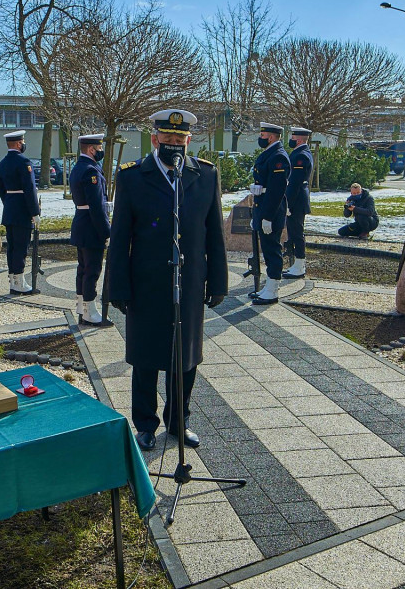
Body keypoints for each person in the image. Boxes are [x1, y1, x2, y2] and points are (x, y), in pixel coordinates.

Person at [106, 108, 228, 452]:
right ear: (154, 138)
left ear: (189, 140)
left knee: (185, 357)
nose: (174, 144)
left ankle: (179, 421)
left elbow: (214, 233)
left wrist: (218, 281)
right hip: (145, 283)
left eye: (180, 139)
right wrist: (118, 286)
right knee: (145, 358)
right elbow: (120, 238)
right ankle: (145, 424)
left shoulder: (204, 175)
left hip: (187, 283)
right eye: (168, 138)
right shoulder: (132, 177)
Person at [70, 133, 112, 326]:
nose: (101, 151)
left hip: (81, 223)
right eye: (99, 148)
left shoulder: (78, 167)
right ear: (91, 149)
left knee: (83, 268)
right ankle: (89, 311)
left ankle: (82, 307)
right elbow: (95, 206)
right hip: (91, 226)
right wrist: (106, 231)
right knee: (92, 270)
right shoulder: (91, 171)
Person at [249, 122, 290, 304]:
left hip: (271, 210)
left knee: (272, 249)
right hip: (263, 207)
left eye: (263, 135)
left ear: (271, 137)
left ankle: (273, 290)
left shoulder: (278, 157)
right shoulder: (271, 154)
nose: (261, 138)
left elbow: (276, 191)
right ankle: (268, 286)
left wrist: (267, 217)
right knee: (267, 248)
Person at [0, 130, 41, 293]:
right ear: (18, 144)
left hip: (9, 210)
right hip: (23, 211)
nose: (23, 144)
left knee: (12, 247)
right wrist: (34, 213)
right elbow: (29, 189)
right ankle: (20, 283)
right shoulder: (24, 162)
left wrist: (9, 204)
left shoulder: (3, 163)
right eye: (22, 142)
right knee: (21, 247)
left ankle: (13, 281)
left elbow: (1, 189)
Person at [283, 127, 313, 279]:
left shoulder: (301, 156)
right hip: (297, 199)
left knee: (297, 233)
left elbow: (294, 183)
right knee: (294, 232)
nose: (291, 140)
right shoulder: (300, 153)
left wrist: (287, 203)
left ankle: (300, 265)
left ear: (299, 140)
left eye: (293, 137)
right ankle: (297, 264)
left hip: (296, 200)